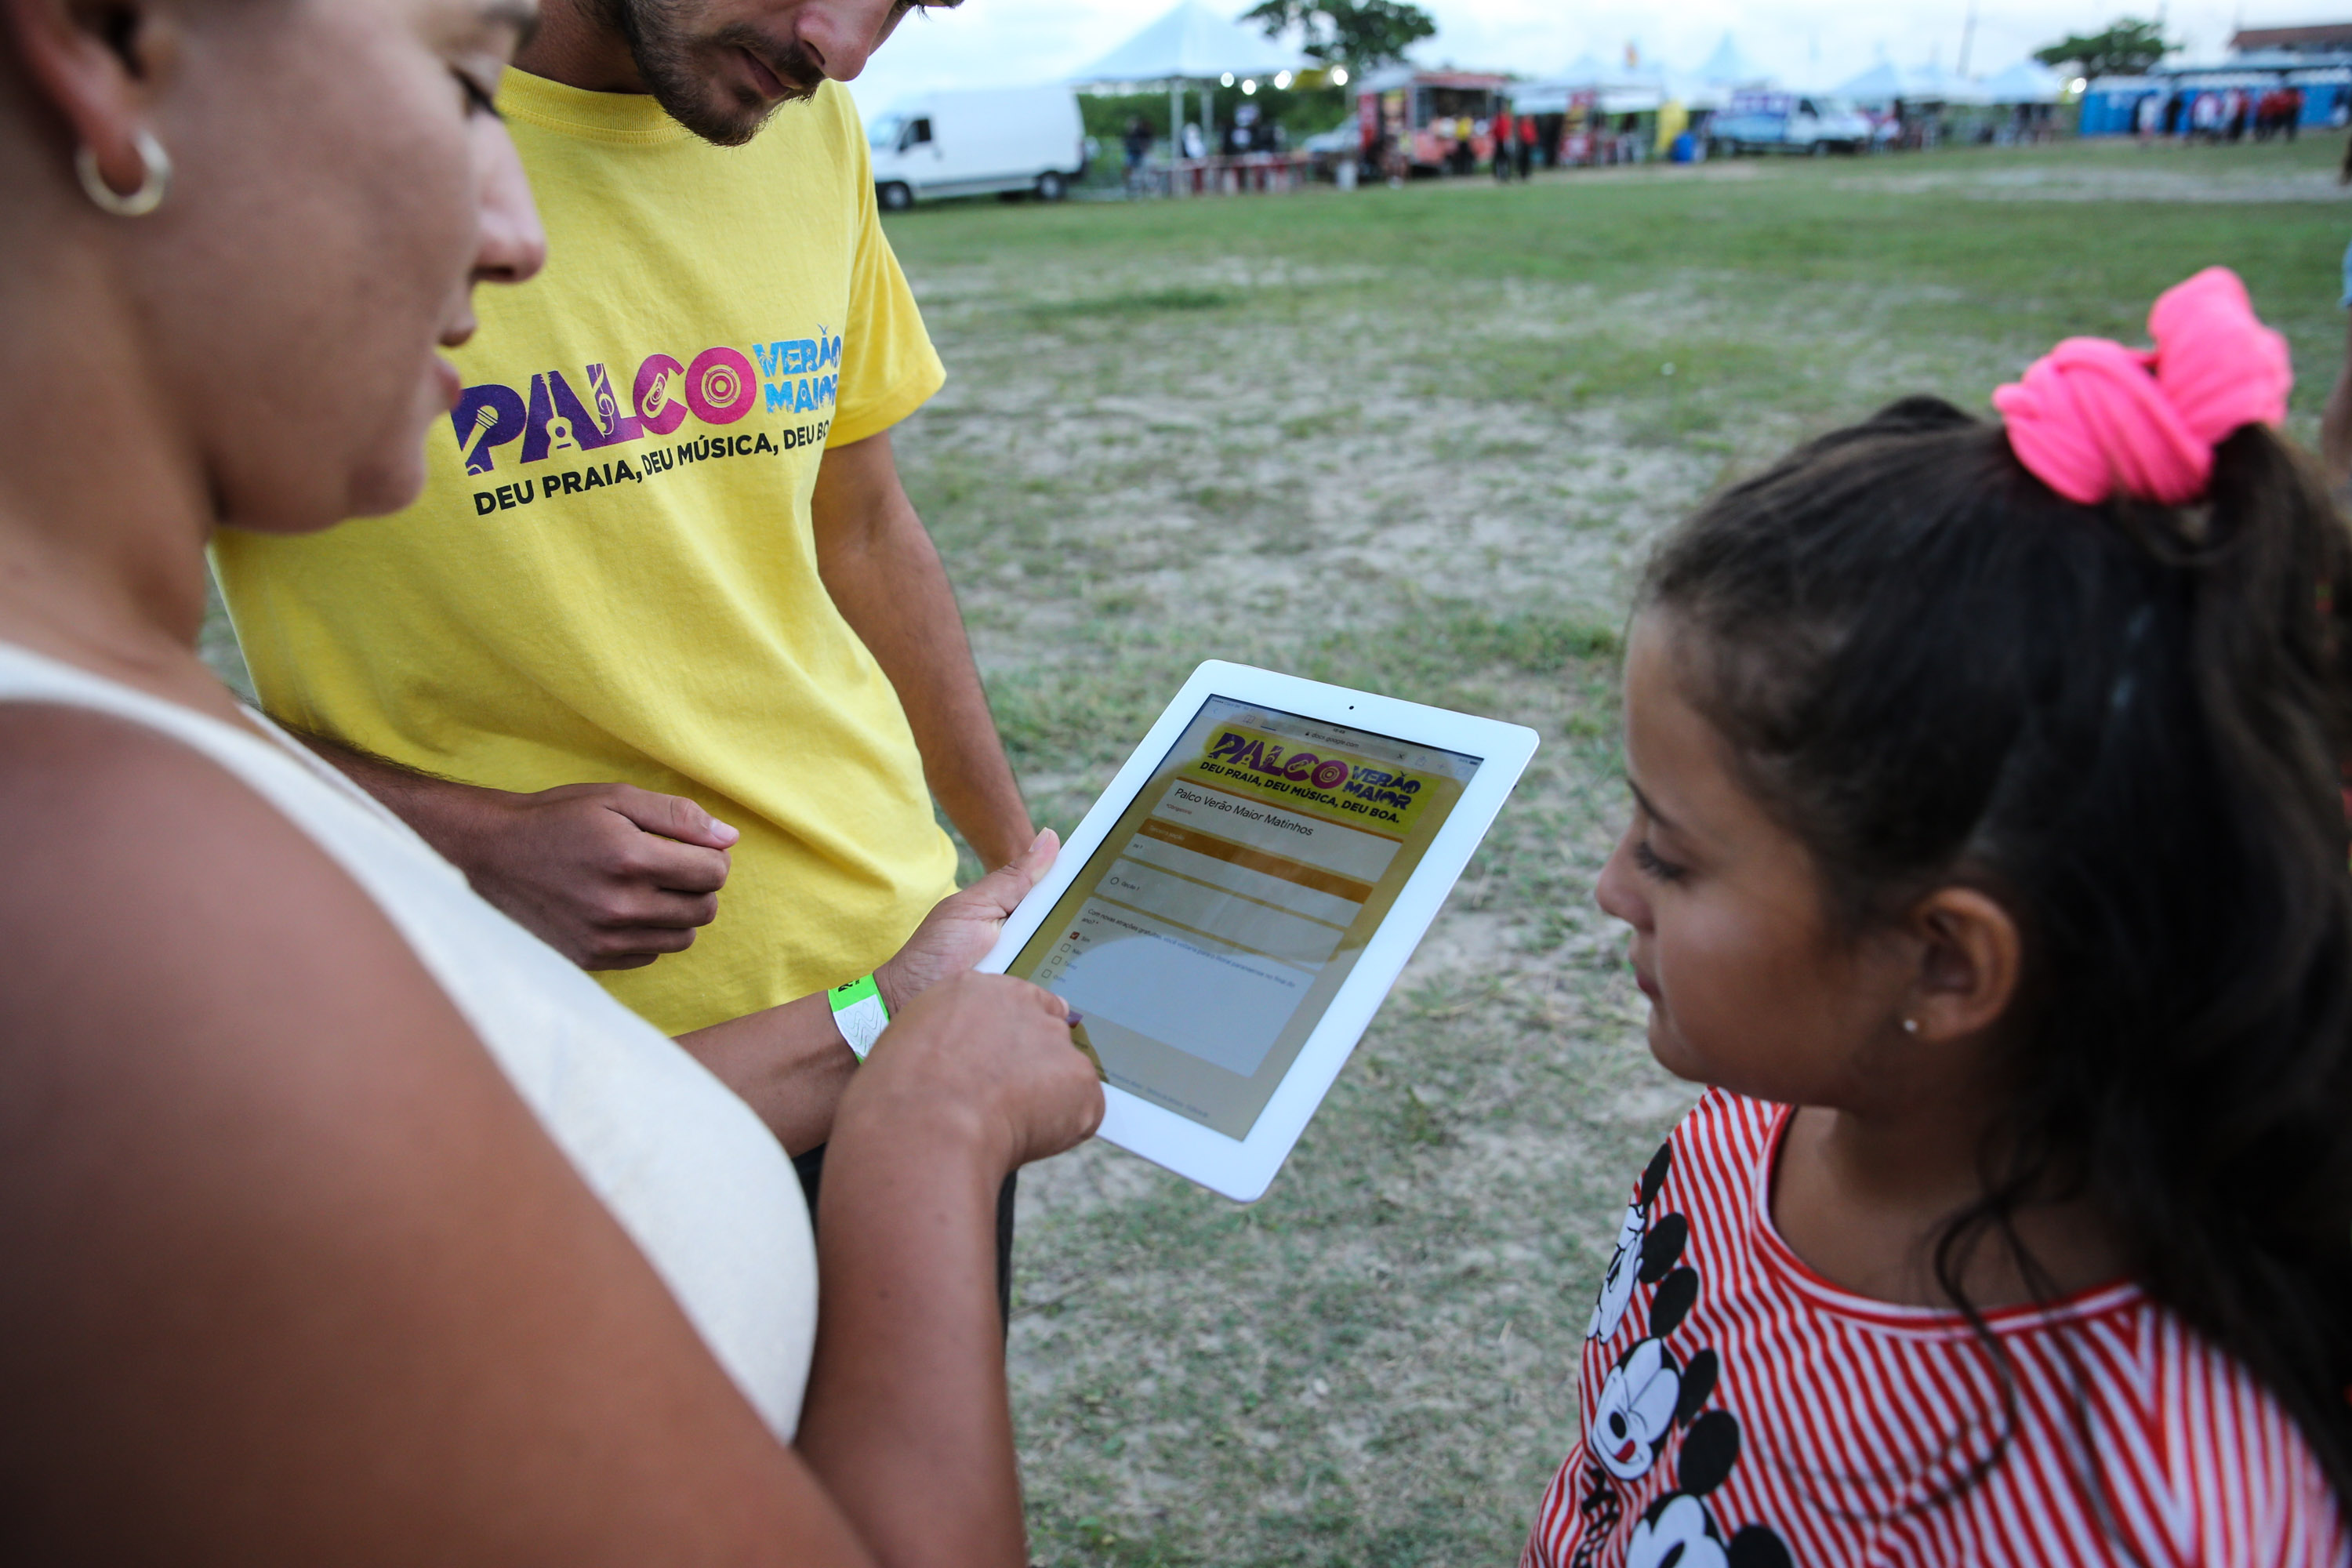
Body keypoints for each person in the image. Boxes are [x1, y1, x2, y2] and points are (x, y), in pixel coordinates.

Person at [0, 0, 1103, 1558]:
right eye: (461, 87)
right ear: (104, 49)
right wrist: (922, 1125)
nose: (516, 227)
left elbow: (546, 1159)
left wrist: (899, 1007)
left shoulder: (138, 757)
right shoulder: (110, 880)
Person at [1526, 268, 2352, 1564]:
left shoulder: (2162, 1514)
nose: (1611, 886)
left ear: (1947, 961)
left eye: (1673, 858)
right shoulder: (1746, 1135)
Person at [209, 0, 1031, 1060]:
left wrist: (1021, 860)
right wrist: (458, 841)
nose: (846, 48)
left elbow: (864, 529)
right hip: (539, 1039)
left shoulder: (808, 128)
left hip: (901, 980)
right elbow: (58, 668)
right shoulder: (268, 134)